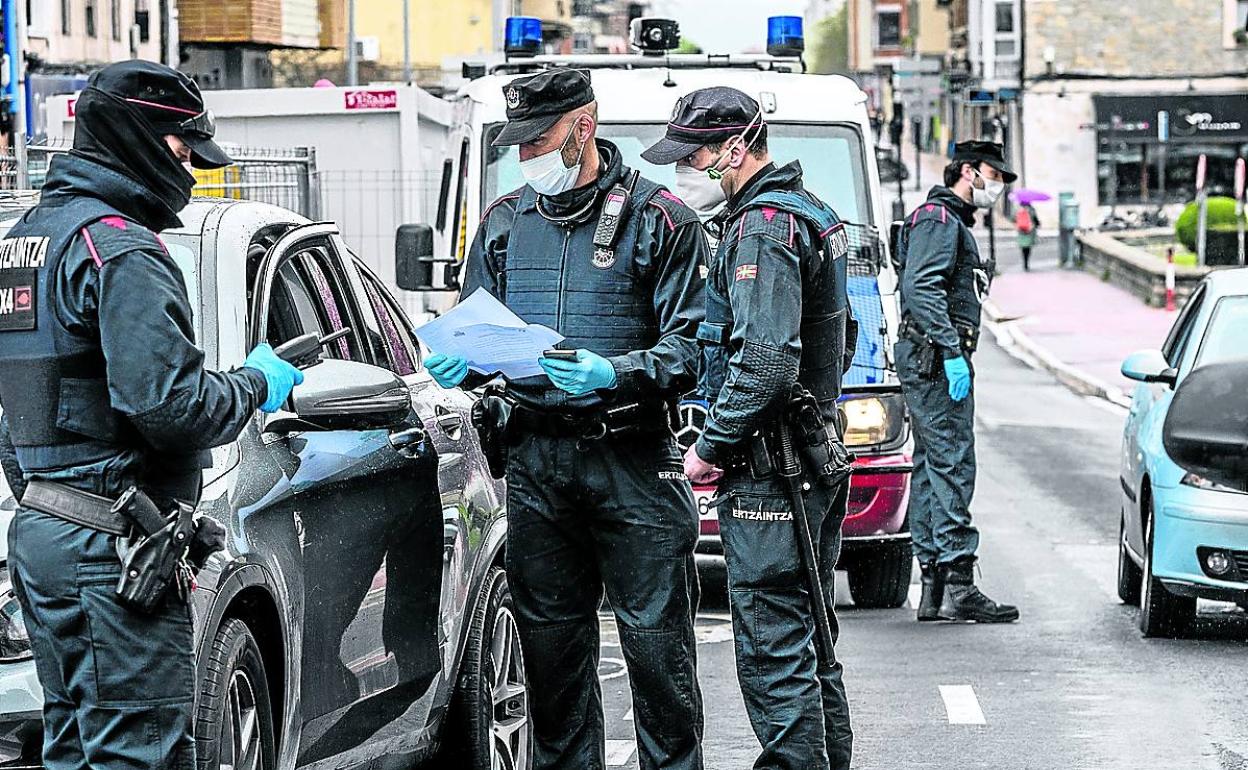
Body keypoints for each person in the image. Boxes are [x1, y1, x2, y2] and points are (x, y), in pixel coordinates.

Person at [0, 61, 304, 769]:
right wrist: (259, 381)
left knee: (75, 751)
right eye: (181, 150)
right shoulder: (121, 250)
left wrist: (56, 504)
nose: (191, 170)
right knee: (140, 756)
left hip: (46, 537)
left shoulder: (25, 244)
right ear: (136, 137)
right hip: (114, 550)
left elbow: (15, 415)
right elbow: (171, 407)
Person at [424, 68, 707, 770]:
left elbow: (696, 343)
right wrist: (463, 367)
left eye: (540, 140)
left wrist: (619, 372)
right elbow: (476, 327)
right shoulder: (503, 223)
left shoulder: (661, 218)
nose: (527, 159)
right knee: (552, 661)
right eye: (517, 146)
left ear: (584, 126)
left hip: (633, 460)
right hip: (537, 463)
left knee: (657, 654)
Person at [647, 86, 854, 770]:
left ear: (736, 148)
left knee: (774, 647)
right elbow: (831, 341)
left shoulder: (762, 225)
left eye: (695, 155)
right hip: (810, 451)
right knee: (810, 640)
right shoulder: (810, 212)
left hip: (773, 469)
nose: (685, 170)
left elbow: (765, 359)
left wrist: (713, 444)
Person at [895, 140, 1021, 624]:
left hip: (927, 357)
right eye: (993, 174)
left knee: (931, 466)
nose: (998, 186)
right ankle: (959, 583)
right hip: (933, 358)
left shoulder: (944, 220)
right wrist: (950, 350)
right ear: (968, 171)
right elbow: (921, 287)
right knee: (951, 462)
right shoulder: (939, 220)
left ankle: (933, 587)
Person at [1015, 200, 1039, 271]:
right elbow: (1036, 221)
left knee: (1023, 248)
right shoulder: (1031, 210)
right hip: (1029, 231)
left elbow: (1013, 219)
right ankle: (1026, 263)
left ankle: (1024, 262)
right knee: (1028, 248)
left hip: (1021, 231)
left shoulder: (1018, 210)